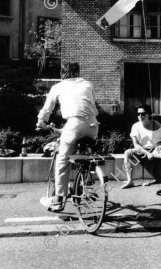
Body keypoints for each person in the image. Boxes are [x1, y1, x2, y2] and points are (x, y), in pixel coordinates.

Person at [37, 62, 99, 212]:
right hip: (93, 125)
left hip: (74, 125)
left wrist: (41, 122)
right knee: (84, 155)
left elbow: (47, 108)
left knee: (62, 161)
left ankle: (59, 200)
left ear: (62, 73)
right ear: (78, 72)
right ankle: (84, 182)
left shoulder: (57, 87)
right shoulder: (88, 84)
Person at [121, 105, 161, 188]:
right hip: (141, 150)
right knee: (127, 152)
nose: (140, 116)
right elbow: (136, 145)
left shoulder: (155, 124)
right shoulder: (135, 126)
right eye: (138, 114)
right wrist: (147, 153)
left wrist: (160, 144)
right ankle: (130, 181)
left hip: (154, 150)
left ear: (148, 114)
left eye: (143, 114)